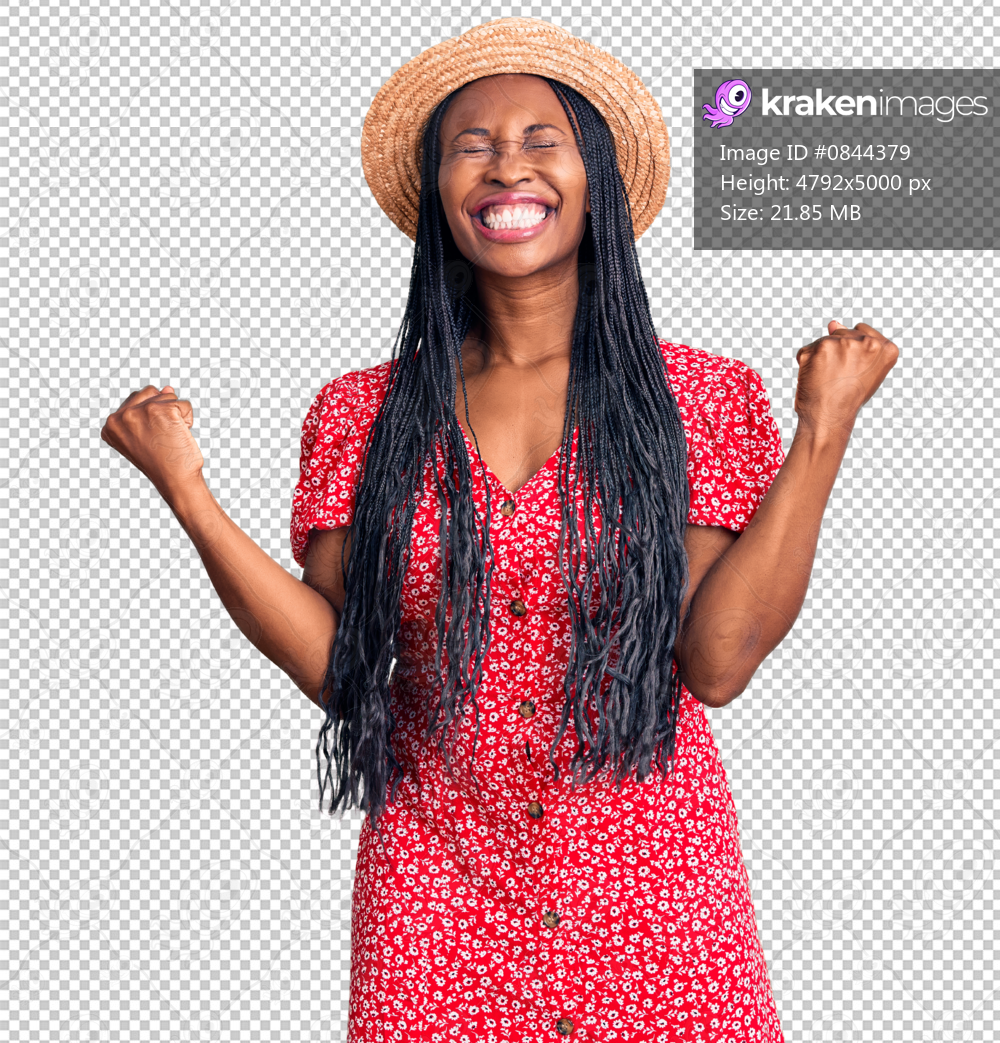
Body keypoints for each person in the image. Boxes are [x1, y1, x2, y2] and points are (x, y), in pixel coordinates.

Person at [100, 17, 898, 1043]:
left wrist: (822, 431)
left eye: (540, 138)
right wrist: (189, 493)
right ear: (438, 190)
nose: (505, 164)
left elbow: (715, 662)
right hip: (436, 877)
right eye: (470, 144)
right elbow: (349, 674)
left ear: (593, 177)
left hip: (650, 883)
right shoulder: (361, 417)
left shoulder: (698, 397)